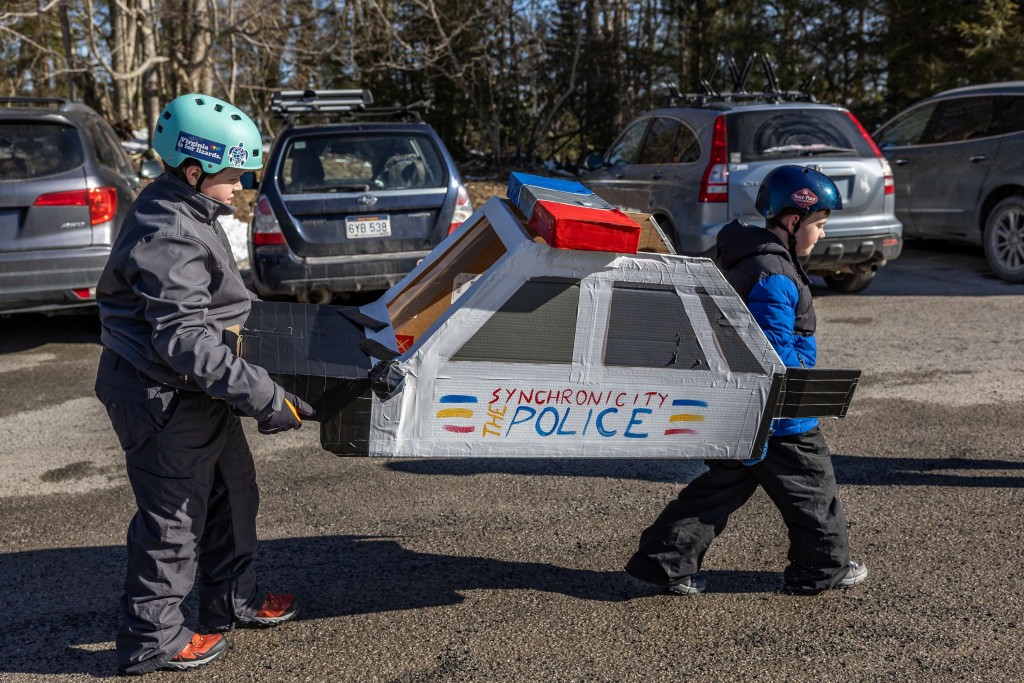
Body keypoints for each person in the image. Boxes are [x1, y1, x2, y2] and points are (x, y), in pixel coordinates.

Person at [94, 93, 316, 674]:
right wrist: (266, 397)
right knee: (174, 521)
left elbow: (214, 311)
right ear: (193, 170)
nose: (241, 186)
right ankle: (153, 639)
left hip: (196, 388)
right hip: (159, 395)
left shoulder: (189, 209)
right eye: (233, 175)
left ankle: (231, 601)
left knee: (232, 494)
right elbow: (185, 340)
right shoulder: (169, 230)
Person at [624, 165, 868, 596]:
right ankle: (821, 568)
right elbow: (772, 353)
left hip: (745, 405)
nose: (822, 234)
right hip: (779, 410)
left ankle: (664, 561)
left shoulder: (753, 258)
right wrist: (799, 398)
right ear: (792, 221)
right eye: (819, 224)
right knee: (812, 488)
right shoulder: (774, 276)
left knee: (723, 487)